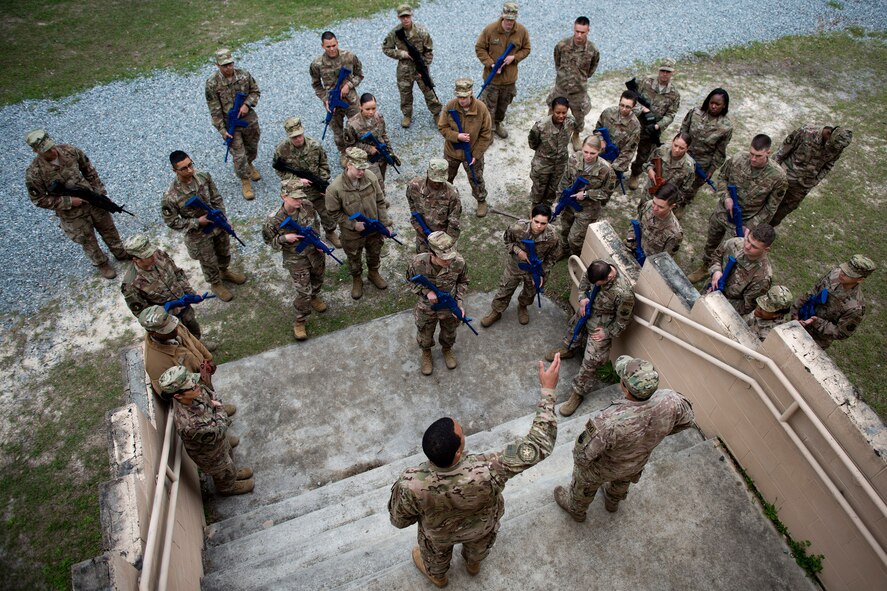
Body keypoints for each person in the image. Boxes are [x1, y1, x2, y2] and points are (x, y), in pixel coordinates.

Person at [388, 355, 561, 587]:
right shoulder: (490, 468)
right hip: (481, 528)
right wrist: (548, 391)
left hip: (439, 537)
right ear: (458, 452)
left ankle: (438, 577)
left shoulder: (411, 484)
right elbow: (539, 445)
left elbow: (399, 520)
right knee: (479, 546)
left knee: (434, 556)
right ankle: (473, 563)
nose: (464, 434)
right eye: (462, 435)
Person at [553, 355, 694, 521]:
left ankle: (576, 509)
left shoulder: (608, 421)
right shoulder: (672, 400)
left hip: (604, 468)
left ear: (625, 388)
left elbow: (582, 455)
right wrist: (655, 436)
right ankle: (612, 503)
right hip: (637, 462)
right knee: (622, 481)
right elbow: (687, 421)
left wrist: (584, 470)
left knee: (583, 479)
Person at [24, 129, 128, 280]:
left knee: (108, 228)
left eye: (51, 146)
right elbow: (38, 200)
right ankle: (102, 264)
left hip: (92, 201)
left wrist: (99, 192)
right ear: (35, 151)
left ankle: (120, 252)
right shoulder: (34, 173)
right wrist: (68, 201)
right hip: (71, 213)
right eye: (46, 150)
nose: (52, 151)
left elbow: (89, 170)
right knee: (87, 239)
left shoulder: (70, 151)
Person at [689, 134, 787, 281]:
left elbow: (771, 208)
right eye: (751, 154)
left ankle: (722, 277)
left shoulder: (778, 177)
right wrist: (726, 197)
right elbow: (722, 178)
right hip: (723, 212)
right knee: (712, 241)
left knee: (733, 251)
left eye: (758, 156)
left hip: (744, 221)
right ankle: (705, 267)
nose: (753, 159)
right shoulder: (737, 159)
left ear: (768, 152)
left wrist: (752, 226)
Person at [546, 260, 635, 417]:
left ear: (609, 277)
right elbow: (586, 281)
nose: (596, 285)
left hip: (601, 324)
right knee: (573, 329)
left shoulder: (623, 294)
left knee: (591, 361)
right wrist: (582, 298)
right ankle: (569, 349)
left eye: (599, 283)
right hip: (587, 310)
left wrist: (607, 333)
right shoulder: (598, 267)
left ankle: (578, 393)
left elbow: (623, 320)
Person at [161, 150, 247, 302]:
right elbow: (171, 221)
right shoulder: (171, 195)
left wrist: (223, 218)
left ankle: (224, 271)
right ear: (174, 170)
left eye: (190, 165)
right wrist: (196, 222)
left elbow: (216, 198)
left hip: (217, 225)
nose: (190, 170)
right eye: (184, 168)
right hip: (198, 234)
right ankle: (215, 283)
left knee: (224, 251)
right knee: (208, 260)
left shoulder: (203, 177)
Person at [158, 365, 254, 496]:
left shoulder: (193, 393)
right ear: (178, 396)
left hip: (217, 441)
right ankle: (228, 488)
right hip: (210, 453)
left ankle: (234, 474)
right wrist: (219, 408)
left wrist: (215, 408)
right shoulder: (189, 424)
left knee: (228, 456)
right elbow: (219, 430)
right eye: (192, 387)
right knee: (222, 470)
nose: (197, 386)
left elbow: (210, 394)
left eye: (194, 381)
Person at [121, 234, 217, 350]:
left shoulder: (159, 255)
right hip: (167, 321)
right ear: (135, 259)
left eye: (152, 252)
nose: (154, 257)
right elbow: (144, 315)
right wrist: (170, 309)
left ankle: (199, 346)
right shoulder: (131, 285)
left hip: (185, 306)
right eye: (148, 256)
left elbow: (177, 273)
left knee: (193, 327)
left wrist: (190, 293)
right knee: (178, 342)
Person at [262, 180, 328, 341]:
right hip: (296, 259)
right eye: (295, 198)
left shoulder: (307, 206)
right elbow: (269, 242)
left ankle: (315, 296)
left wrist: (319, 241)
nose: (299, 201)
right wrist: (284, 238)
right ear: (284, 196)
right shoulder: (273, 220)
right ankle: (300, 320)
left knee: (318, 278)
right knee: (303, 291)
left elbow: (316, 224)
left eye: (300, 197)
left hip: (315, 253)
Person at [326, 147, 393, 300]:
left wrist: (384, 224)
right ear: (348, 164)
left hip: (373, 228)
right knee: (354, 257)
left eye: (364, 168)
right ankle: (357, 279)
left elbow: (380, 201)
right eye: (358, 168)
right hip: (352, 234)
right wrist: (352, 224)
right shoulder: (335, 188)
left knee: (374, 251)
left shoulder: (370, 177)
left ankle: (373, 273)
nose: (362, 172)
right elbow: (333, 213)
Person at [481, 203, 561, 327]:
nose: (539, 226)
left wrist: (541, 273)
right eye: (536, 221)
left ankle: (522, 306)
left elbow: (552, 257)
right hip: (516, 265)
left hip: (536, 269)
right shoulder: (517, 228)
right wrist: (518, 251)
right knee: (505, 288)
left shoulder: (553, 236)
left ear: (548, 222)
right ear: (531, 217)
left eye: (543, 223)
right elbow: (507, 241)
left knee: (530, 292)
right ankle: (496, 311)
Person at [406, 232, 469, 376]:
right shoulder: (417, 263)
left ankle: (447, 349)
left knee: (449, 331)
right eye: (444, 259)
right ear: (431, 253)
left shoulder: (458, 262)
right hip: (427, 306)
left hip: (449, 305)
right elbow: (410, 280)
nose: (449, 262)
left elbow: (463, 282)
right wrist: (426, 291)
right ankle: (426, 352)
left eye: (450, 257)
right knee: (425, 333)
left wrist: (459, 302)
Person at [272, 116, 340, 248]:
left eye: (299, 135)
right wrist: (297, 181)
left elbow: (324, 165)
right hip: (297, 193)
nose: (298, 139)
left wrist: (322, 182)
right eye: (294, 137)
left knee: (327, 213)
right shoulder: (282, 150)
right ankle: (315, 240)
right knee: (306, 220)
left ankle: (330, 232)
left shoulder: (314, 145)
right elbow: (279, 171)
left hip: (317, 189)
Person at [205, 49, 262, 200]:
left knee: (252, 146)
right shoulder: (212, 83)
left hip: (248, 119)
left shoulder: (243, 75)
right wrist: (223, 130)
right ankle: (245, 180)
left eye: (230, 64)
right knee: (238, 155)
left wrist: (247, 105)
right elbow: (214, 110)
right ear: (218, 65)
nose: (228, 68)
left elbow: (255, 91)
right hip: (230, 123)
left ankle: (249, 163)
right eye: (224, 65)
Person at [771, 125, 853, 226]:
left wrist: (815, 181)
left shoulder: (837, 146)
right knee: (766, 204)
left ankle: (762, 235)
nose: (832, 149)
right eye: (830, 144)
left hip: (802, 187)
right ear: (828, 133)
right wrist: (773, 170)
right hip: (783, 177)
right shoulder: (806, 133)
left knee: (780, 213)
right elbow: (783, 150)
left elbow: (828, 166)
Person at [138, 306, 225, 401]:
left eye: (172, 325)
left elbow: (193, 341)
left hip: (204, 377)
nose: (175, 329)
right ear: (153, 334)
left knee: (212, 393)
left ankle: (217, 406)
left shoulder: (173, 325)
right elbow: (166, 394)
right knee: (207, 402)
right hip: (195, 393)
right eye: (168, 330)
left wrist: (208, 358)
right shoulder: (155, 363)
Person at [790, 255, 875, 350]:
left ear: (860, 280)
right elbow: (813, 291)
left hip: (815, 339)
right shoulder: (834, 274)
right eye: (844, 269)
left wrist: (816, 322)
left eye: (849, 274)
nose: (842, 273)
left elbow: (840, 333)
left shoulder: (855, 307)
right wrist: (796, 311)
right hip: (799, 319)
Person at [474, 2, 531, 139]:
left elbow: (527, 49)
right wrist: (491, 64)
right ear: (502, 16)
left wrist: (514, 57)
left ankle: (497, 124)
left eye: (512, 20)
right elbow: (479, 48)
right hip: (492, 79)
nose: (509, 23)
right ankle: (488, 131)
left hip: (509, 81)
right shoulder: (490, 30)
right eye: (507, 19)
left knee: (502, 107)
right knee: (488, 108)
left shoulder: (521, 31)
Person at [438, 78, 493, 217]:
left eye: (464, 97)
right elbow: (442, 127)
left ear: (471, 94)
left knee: (476, 178)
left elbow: (486, 133)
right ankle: (445, 201)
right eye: (459, 97)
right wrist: (457, 136)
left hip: (473, 152)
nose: (461, 100)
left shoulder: (480, 108)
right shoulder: (450, 106)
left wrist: (477, 153)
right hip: (452, 152)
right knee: (446, 179)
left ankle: (481, 200)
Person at [381, 4, 442, 128]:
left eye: (407, 16)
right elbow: (386, 48)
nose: (405, 19)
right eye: (402, 17)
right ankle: (407, 115)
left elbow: (429, 51)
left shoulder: (421, 32)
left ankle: (436, 113)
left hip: (420, 67)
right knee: (405, 93)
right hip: (404, 69)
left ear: (411, 15)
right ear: (399, 17)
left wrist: (425, 67)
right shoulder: (395, 33)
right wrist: (400, 53)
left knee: (429, 91)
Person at [557, 135, 617, 256]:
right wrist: (560, 197)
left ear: (599, 151)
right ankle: (564, 251)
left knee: (575, 239)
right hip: (569, 203)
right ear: (582, 148)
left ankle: (577, 254)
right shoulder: (574, 159)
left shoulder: (606, 170)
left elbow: (606, 193)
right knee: (564, 230)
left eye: (592, 153)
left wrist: (587, 194)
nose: (588, 156)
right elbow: (565, 179)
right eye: (585, 152)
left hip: (588, 208)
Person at [547, 16, 599, 151]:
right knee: (553, 112)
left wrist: (579, 79)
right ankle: (550, 133)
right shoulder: (562, 45)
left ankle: (575, 135)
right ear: (574, 29)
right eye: (577, 31)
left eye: (582, 32)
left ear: (588, 31)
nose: (579, 35)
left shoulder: (593, 50)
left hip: (578, 91)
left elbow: (591, 69)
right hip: (561, 88)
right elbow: (557, 62)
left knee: (579, 116)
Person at [627, 60, 681, 190]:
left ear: (673, 73)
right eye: (662, 71)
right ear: (659, 71)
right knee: (625, 148)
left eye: (668, 72)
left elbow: (671, 115)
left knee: (644, 155)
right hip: (634, 124)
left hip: (652, 129)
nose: (664, 74)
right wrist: (643, 110)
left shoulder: (674, 94)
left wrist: (658, 126)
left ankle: (635, 174)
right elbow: (631, 98)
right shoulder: (646, 82)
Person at [310, 31, 364, 154]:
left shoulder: (349, 56)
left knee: (357, 126)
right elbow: (316, 85)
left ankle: (359, 151)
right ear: (322, 46)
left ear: (337, 43)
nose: (332, 49)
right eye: (328, 46)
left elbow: (359, 75)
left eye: (334, 45)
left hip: (351, 100)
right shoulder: (316, 64)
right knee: (338, 132)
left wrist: (349, 85)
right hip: (332, 102)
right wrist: (325, 99)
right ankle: (344, 153)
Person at [706, 224, 776, 316]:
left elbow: (747, 306)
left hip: (723, 308)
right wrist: (716, 271)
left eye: (754, 247)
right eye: (748, 240)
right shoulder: (735, 243)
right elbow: (717, 255)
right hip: (711, 287)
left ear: (766, 250)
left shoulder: (762, 278)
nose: (747, 246)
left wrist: (718, 301)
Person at [679, 88, 733, 202]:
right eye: (711, 103)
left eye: (718, 104)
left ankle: (682, 205)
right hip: (684, 153)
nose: (713, 106)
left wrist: (712, 169)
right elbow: (684, 129)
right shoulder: (695, 112)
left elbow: (720, 151)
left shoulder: (726, 127)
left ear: (724, 106)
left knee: (691, 187)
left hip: (702, 161)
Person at [343, 93, 400, 195]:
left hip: (381, 154)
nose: (371, 112)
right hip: (365, 159)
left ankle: (379, 196)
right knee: (376, 180)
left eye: (374, 108)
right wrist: (369, 148)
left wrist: (390, 152)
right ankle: (380, 200)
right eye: (367, 109)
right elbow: (349, 146)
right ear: (360, 107)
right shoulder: (352, 124)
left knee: (381, 177)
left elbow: (383, 135)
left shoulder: (378, 117)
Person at [405, 158, 462, 254]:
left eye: (440, 181)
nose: (437, 184)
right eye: (434, 180)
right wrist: (417, 226)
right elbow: (412, 204)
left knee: (444, 264)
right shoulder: (414, 186)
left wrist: (447, 243)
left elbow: (454, 221)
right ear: (428, 173)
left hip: (442, 237)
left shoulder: (452, 193)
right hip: (422, 232)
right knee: (423, 260)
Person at [528, 96, 576, 207]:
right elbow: (532, 142)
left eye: (564, 112)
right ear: (552, 110)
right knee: (539, 188)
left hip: (561, 163)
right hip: (543, 164)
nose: (561, 116)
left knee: (554, 188)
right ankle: (535, 209)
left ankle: (547, 207)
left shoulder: (570, 121)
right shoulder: (541, 126)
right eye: (557, 112)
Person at [637, 132, 696, 214]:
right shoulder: (661, 150)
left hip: (665, 201)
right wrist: (649, 169)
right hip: (650, 192)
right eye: (675, 145)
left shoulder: (688, 167)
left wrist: (671, 203)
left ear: (687, 148)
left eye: (681, 148)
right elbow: (648, 163)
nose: (677, 150)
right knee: (641, 212)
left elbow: (684, 190)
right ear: (672, 141)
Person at [593, 90, 641, 191]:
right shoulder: (608, 113)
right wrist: (601, 140)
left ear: (634, 106)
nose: (623, 109)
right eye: (621, 105)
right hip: (600, 154)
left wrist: (612, 168)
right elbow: (598, 129)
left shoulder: (635, 126)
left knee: (606, 189)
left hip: (617, 161)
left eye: (628, 107)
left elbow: (628, 152)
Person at [624, 182, 683, 261]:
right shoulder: (648, 205)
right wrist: (631, 237)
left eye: (660, 207)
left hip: (648, 262)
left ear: (672, 206)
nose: (654, 208)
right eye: (654, 203)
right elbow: (635, 222)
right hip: (633, 247)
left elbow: (665, 259)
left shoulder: (674, 233)